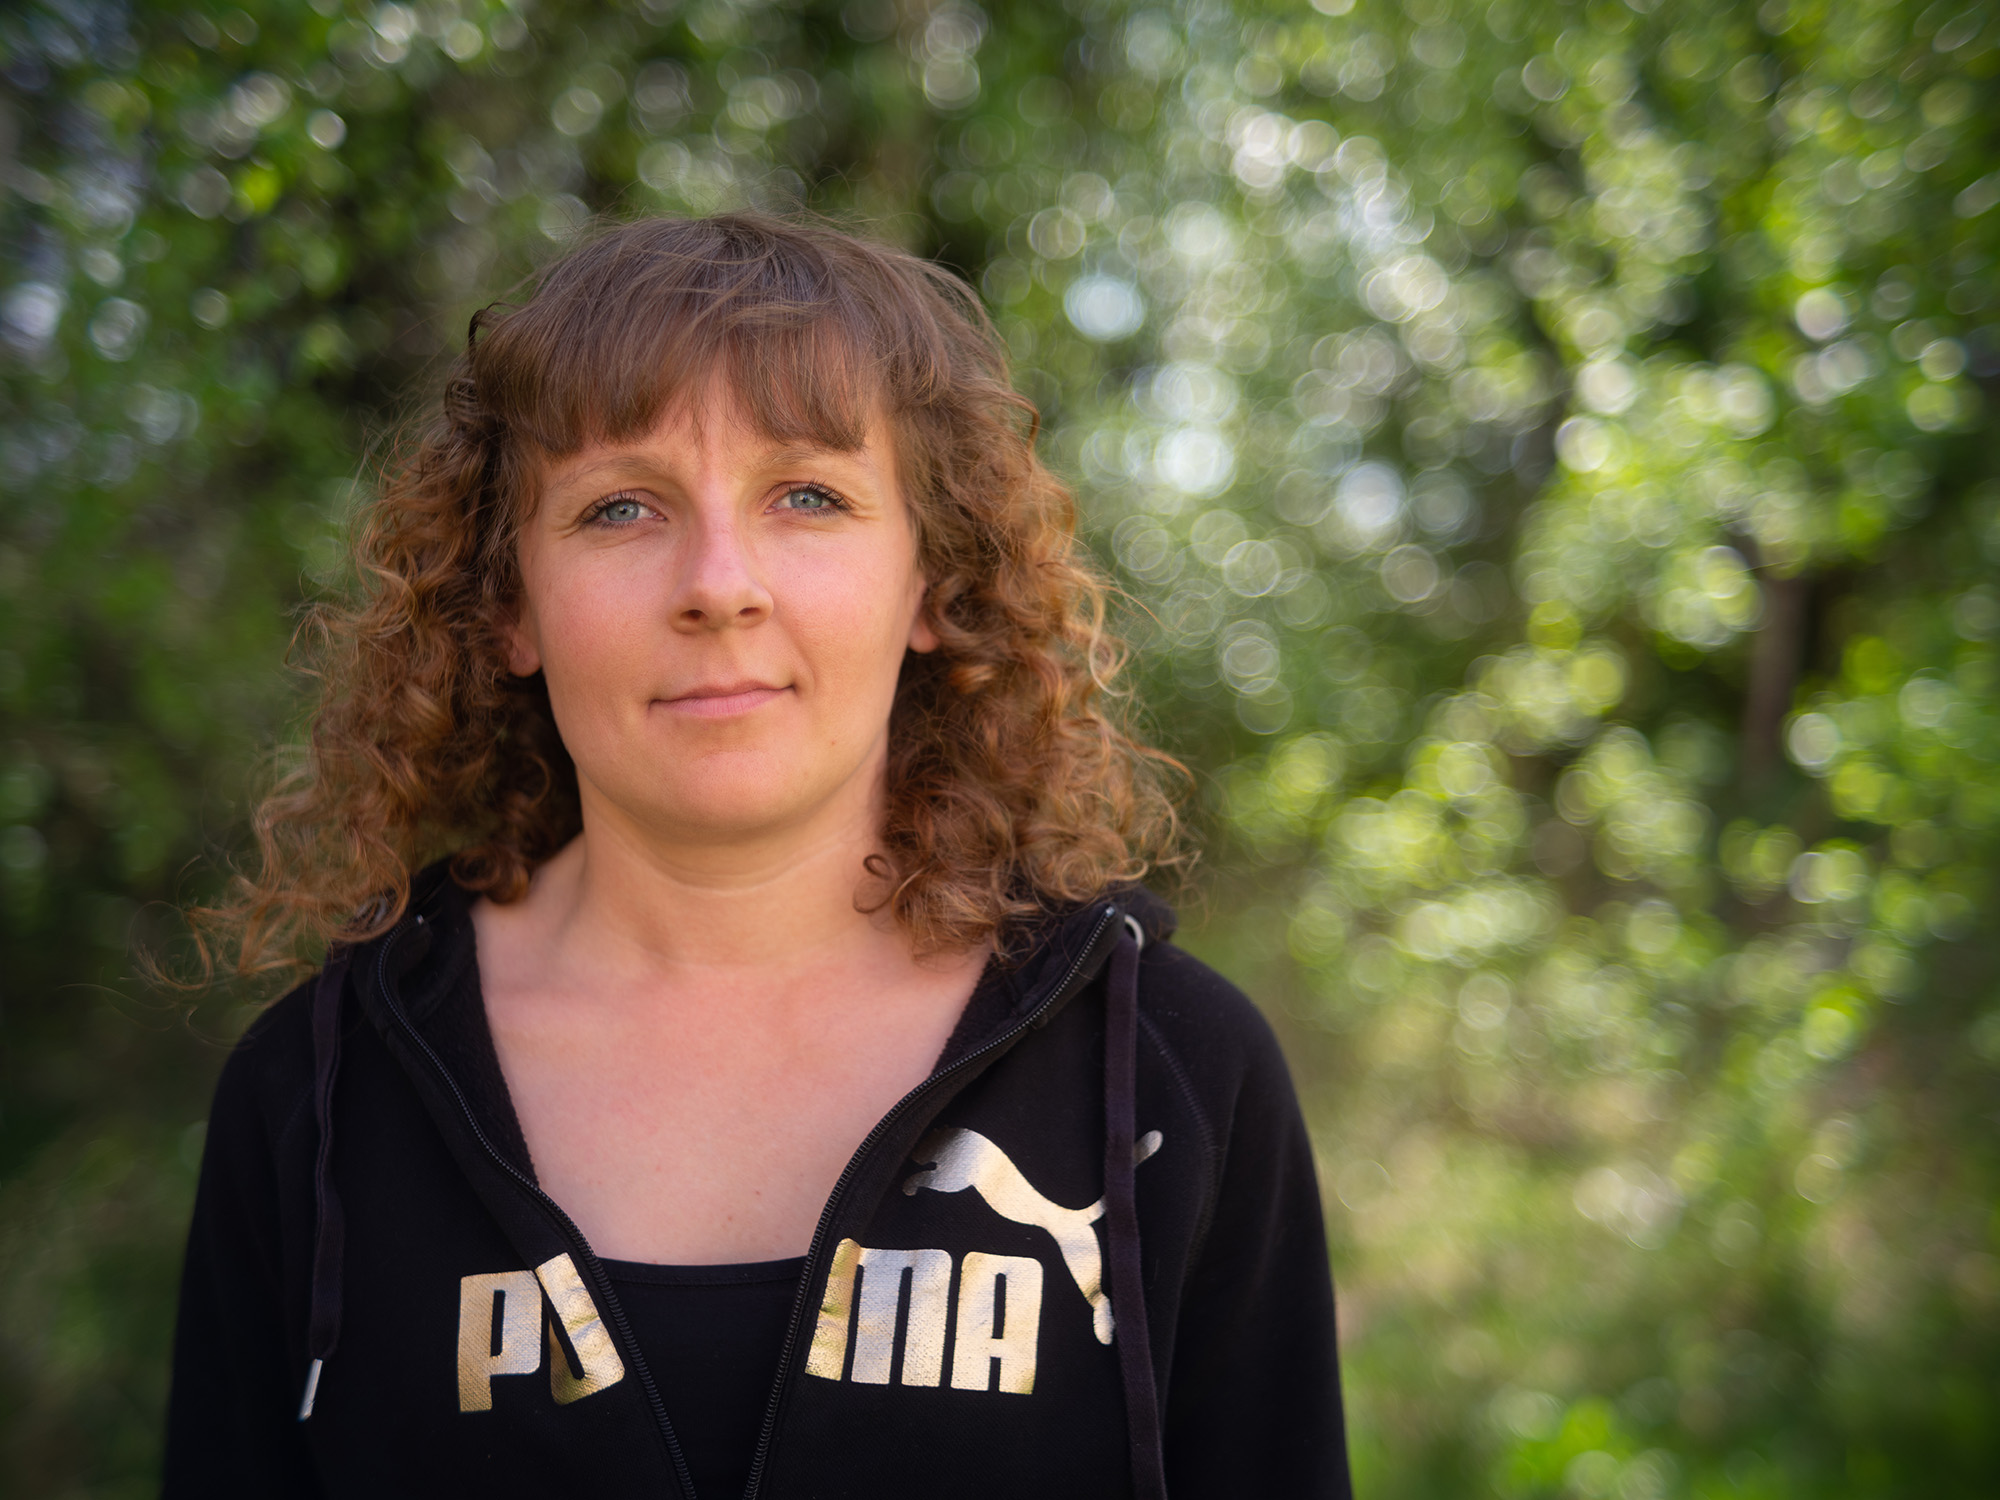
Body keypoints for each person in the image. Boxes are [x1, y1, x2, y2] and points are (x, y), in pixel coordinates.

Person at [162, 212, 1349, 1499]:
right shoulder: (318, 1096)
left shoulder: (1167, 1072)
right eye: (620, 507)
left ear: (930, 583)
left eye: (806, 497)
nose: (718, 583)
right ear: (508, 604)